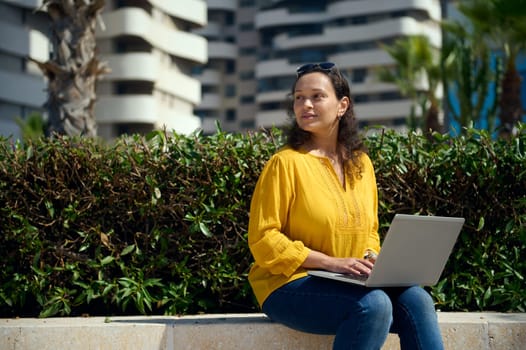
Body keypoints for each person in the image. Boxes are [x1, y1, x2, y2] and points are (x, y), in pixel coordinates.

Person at [247, 62, 444, 350]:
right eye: (299, 97)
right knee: (373, 304)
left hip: (348, 281)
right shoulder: (285, 163)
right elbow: (264, 239)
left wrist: (370, 257)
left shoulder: (361, 164)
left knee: (418, 300)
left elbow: (370, 230)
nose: (305, 104)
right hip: (286, 285)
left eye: (317, 96)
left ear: (342, 105)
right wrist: (330, 262)